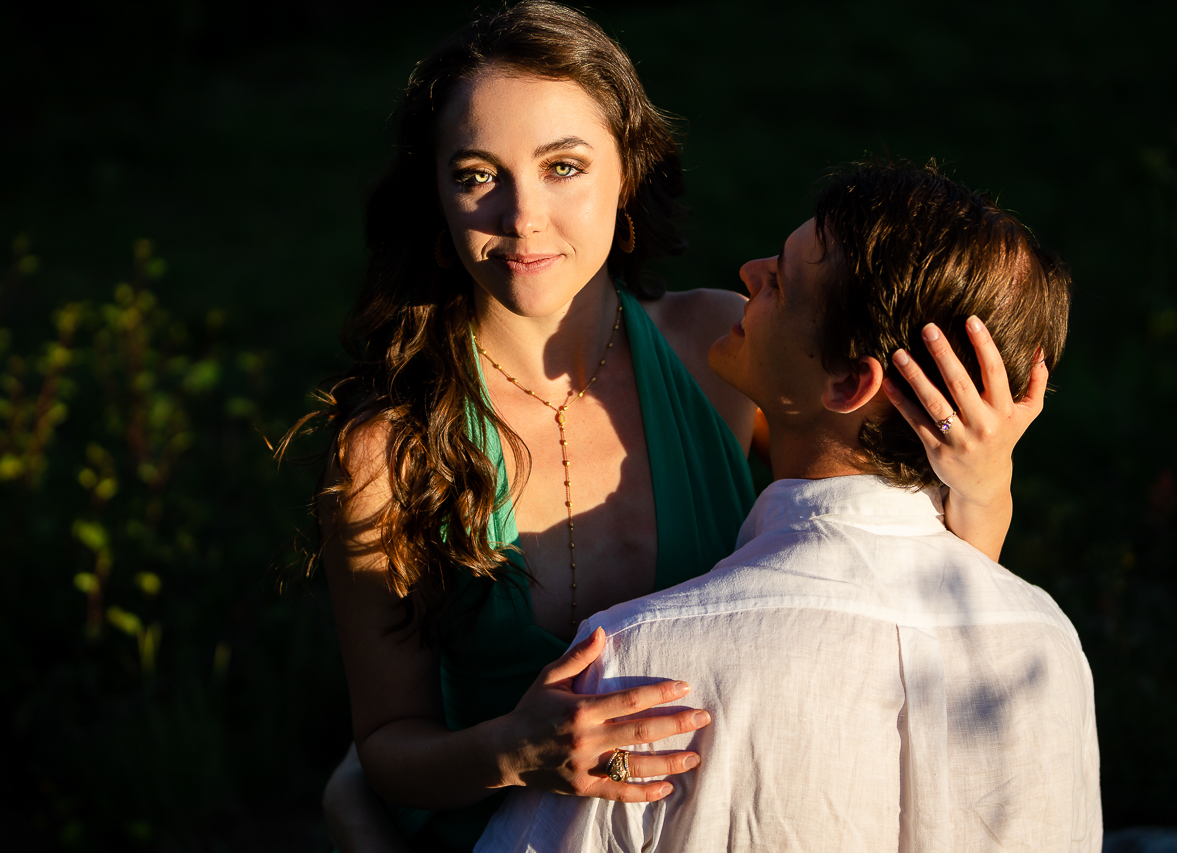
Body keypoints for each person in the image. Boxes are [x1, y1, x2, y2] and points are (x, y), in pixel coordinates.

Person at [296, 3, 1044, 850]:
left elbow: (894, 592)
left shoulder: (716, 350)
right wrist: (509, 750)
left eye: (563, 166)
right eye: (477, 174)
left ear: (629, 173)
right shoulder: (386, 451)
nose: (521, 216)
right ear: (436, 196)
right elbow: (387, 750)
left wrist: (984, 484)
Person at [475, 160, 1101, 852]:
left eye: (780, 281)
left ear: (848, 382)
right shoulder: (1048, 645)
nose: (747, 271)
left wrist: (359, 819)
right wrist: (986, 492)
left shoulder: (640, 663)